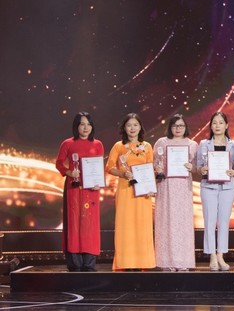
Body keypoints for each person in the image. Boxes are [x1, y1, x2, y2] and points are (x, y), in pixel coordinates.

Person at [55, 111, 105, 272]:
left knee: (90, 223)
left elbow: (99, 167)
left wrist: (98, 183)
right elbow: (59, 163)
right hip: (74, 187)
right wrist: (70, 172)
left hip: (91, 189)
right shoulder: (68, 143)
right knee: (74, 221)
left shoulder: (98, 144)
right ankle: (74, 262)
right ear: (76, 126)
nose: (85, 127)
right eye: (82, 124)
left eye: (88, 124)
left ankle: (89, 262)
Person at [105, 113, 156, 271]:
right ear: (124, 128)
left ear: (140, 127)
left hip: (143, 192)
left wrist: (151, 188)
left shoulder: (147, 146)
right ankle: (125, 263)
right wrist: (123, 174)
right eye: (129, 125)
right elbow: (109, 167)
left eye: (135, 125)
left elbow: (150, 168)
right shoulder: (118, 146)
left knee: (142, 225)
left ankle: (142, 262)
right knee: (125, 226)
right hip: (125, 190)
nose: (132, 128)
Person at [196, 111, 234, 271]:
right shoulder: (204, 144)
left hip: (227, 187)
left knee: (224, 222)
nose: (217, 126)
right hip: (208, 186)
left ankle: (221, 255)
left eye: (221, 123)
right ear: (211, 126)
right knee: (209, 221)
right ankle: (212, 256)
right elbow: (198, 167)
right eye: (214, 123)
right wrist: (202, 169)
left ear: (226, 125)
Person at [153, 114, 197, 272]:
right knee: (166, 221)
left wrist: (192, 168)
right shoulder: (161, 142)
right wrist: (158, 168)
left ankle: (183, 261)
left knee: (182, 223)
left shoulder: (192, 145)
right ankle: (166, 261)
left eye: (181, 126)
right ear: (170, 127)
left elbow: (197, 167)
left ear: (186, 127)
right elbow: (155, 163)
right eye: (175, 126)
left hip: (183, 187)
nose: (178, 129)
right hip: (166, 187)